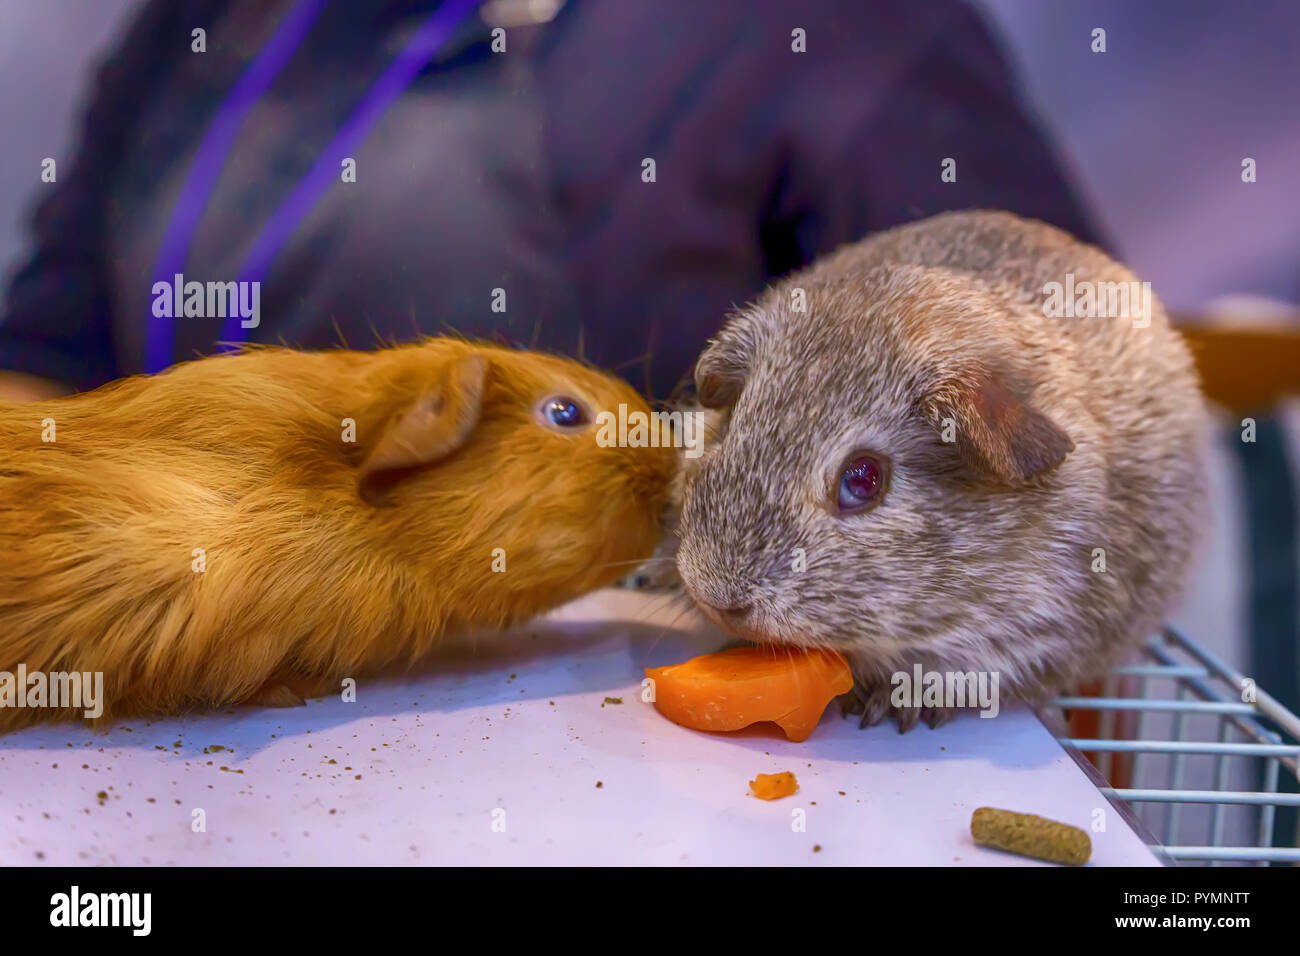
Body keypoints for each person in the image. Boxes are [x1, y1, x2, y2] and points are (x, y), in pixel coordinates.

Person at [0, 0, 1100, 403]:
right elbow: (50, 346)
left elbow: (1063, 402)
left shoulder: (836, 30)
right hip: (191, 714)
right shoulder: (201, 23)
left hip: (635, 756)